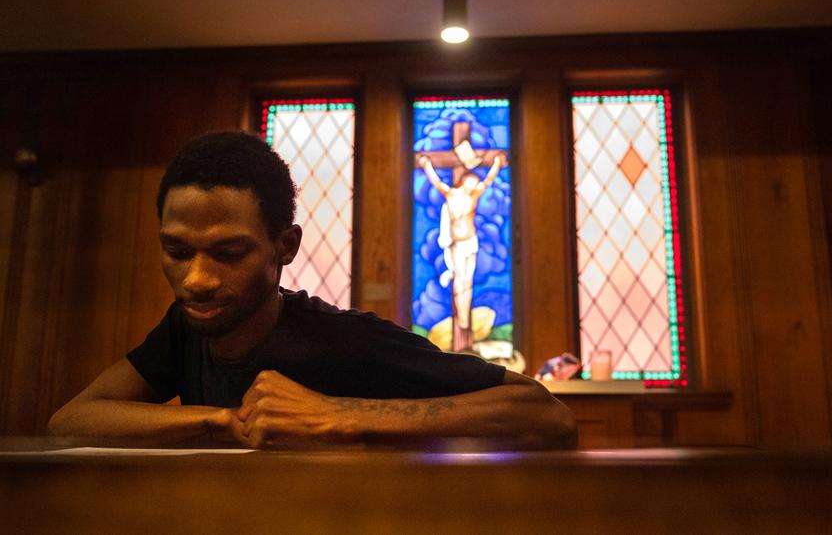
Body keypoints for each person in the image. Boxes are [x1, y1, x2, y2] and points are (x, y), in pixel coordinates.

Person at [48, 132, 576, 449]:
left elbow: (543, 413)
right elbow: (71, 420)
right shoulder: (186, 326)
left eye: (229, 253)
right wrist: (222, 420)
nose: (196, 280)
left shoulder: (347, 340)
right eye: (178, 251)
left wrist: (337, 415)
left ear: (286, 246)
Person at [418, 151, 504, 351]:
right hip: (457, 243)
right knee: (459, 281)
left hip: (470, 241)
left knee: (468, 280)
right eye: (472, 181)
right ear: (465, 181)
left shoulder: (473, 197)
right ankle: (463, 317)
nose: (475, 185)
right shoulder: (451, 195)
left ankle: (466, 315)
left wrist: (497, 164)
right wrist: (426, 165)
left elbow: (489, 181)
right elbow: (436, 182)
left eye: (475, 183)